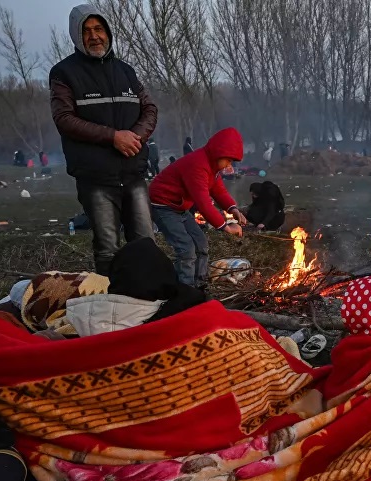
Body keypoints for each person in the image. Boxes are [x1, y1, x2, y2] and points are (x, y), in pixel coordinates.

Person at [49, 4, 158, 276]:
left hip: (133, 174)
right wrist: (113, 137)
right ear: (76, 36)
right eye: (86, 31)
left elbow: (149, 109)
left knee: (146, 245)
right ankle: (112, 299)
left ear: (108, 31)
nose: (94, 36)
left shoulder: (126, 71)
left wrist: (135, 138)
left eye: (99, 29)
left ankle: (146, 298)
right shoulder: (64, 73)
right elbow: (64, 119)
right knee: (108, 250)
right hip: (96, 178)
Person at [149, 127, 248, 288]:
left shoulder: (213, 167)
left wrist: (233, 209)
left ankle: (200, 283)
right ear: (219, 153)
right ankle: (185, 289)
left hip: (180, 207)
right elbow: (203, 202)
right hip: (164, 205)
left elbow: (218, 190)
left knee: (201, 244)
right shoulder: (198, 165)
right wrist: (225, 227)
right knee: (186, 248)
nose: (228, 165)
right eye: (229, 160)